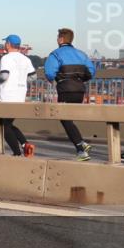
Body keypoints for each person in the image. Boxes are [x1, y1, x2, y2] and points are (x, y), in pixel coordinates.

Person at [44, 28, 95, 160]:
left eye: (57, 38)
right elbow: (91, 71)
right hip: (80, 90)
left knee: (65, 118)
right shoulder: (81, 54)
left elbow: (49, 72)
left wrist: (53, 79)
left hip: (65, 89)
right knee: (69, 119)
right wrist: (81, 79)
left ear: (61, 39)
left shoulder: (55, 54)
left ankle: (81, 148)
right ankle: (81, 144)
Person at [0, 35, 37, 157]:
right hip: (20, 96)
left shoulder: (6, 58)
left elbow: (4, 76)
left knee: (3, 127)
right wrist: (22, 81)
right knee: (8, 124)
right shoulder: (25, 59)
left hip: (7, 96)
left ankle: (17, 153)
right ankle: (25, 145)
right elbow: (34, 76)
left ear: (8, 44)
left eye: (5, 43)